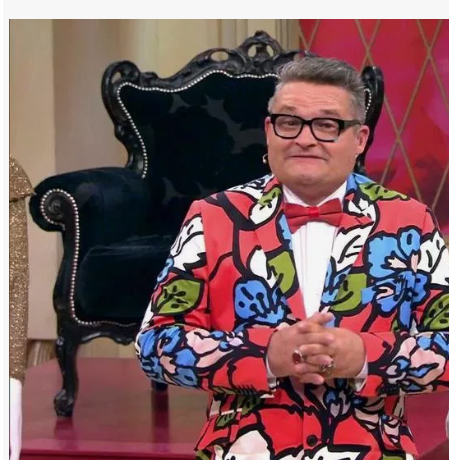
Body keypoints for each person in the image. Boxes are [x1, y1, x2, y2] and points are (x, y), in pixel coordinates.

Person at [135, 57, 449, 460]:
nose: (305, 139)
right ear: (269, 131)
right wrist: (265, 355)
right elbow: (154, 344)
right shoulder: (212, 217)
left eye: (327, 125)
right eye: (290, 122)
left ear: (360, 139)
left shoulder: (410, 221)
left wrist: (364, 356)